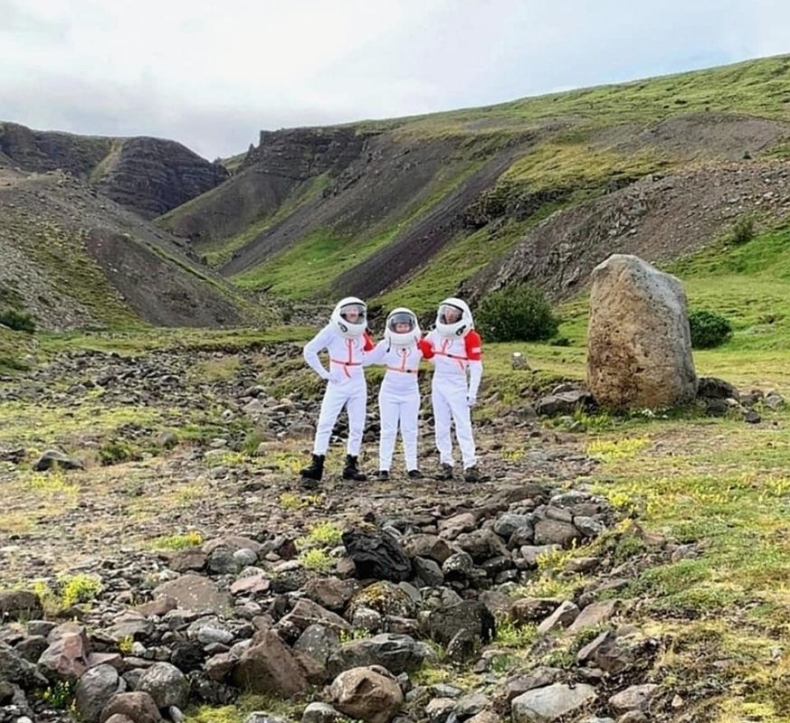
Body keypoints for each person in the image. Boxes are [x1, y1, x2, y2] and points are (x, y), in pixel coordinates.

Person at [300, 297, 374, 488]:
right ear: (341, 312)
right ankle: (317, 464)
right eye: (349, 310)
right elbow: (309, 350)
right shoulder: (332, 330)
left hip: (358, 381)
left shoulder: (361, 332)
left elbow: (367, 354)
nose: (353, 313)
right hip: (338, 382)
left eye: (357, 310)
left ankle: (351, 464)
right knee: (325, 422)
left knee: (357, 425)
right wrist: (325, 374)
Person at [362, 307, 434, 481]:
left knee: (410, 430)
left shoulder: (419, 343)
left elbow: (434, 356)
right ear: (392, 326)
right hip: (389, 390)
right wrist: (362, 339)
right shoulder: (385, 344)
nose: (402, 328)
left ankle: (412, 467)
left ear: (411, 325)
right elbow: (367, 359)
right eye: (398, 325)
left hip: (410, 390)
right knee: (388, 430)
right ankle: (384, 468)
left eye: (405, 325)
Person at [422, 297, 483, 482]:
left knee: (463, 424)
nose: (449, 316)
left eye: (453, 313)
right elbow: (424, 347)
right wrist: (435, 360)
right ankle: (445, 463)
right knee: (441, 424)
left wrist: (472, 391)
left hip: (457, 382)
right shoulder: (436, 333)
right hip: (439, 380)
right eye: (446, 311)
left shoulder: (470, 336)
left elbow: (476, 366)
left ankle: (470, 465)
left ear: (462, 316)